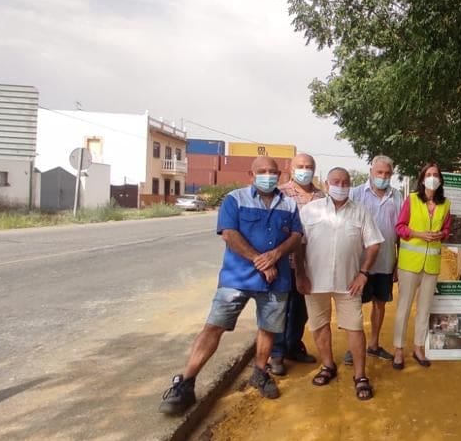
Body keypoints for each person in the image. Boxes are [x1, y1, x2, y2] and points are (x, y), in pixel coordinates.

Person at [159, 156, 303, 414]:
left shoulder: (290, 205)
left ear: (280, 174)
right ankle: (187, 382)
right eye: (262, 171)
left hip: (275, 280)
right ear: (251, 174)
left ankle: (260, 372)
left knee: (268, 329)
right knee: (214, 327)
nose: (268, 175)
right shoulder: (235, 199)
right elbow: (229, 233)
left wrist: (276, 255)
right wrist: (261, 261)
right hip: (237, 278)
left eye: (272, 171)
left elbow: (296, 235)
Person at [297, 167, 384, 400]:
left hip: (349, 282)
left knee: (354, 327)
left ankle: (360, 375)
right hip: (314, 280)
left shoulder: (360, 212)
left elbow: (374, 244)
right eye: (336, 181)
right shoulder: (310, 211)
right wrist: (300, 275)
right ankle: (328, 366)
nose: (341, 185)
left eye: (345, 182)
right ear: (326, 184)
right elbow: (299, 244)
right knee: (319, 324)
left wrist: (364, 273)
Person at [268, 153, 325, 376]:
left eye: (309, 166)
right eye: (300, 166)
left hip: (312, 262)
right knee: (281, 308)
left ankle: (293, 346)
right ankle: (277, 354)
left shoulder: (321, 196)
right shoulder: (280, 194)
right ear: (291, 169)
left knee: (302, 311)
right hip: (285, 262)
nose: (305, 170)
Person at [343, 155, 402, 365]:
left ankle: (374, 345)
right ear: (371, 172)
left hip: (386, 261)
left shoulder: (397, 197)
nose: (383, 177)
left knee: (380, 304)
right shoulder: (355, 194)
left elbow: (400, 233)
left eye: (387, 173)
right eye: (380, 172)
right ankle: (354, 347)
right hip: (360, 264)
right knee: (354, 305)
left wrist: (397, 263)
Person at [392, 163, 451, 369]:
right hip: (409, 264)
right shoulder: (412, 200)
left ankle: (418, 348)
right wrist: (418, 234)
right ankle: (398, 350)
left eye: (435, 174)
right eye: (429, 174)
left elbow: (446, 229)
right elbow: (399, 227)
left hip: (431, 264)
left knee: (424, 309)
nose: (432, 177)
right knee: (404, 308)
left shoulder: (445, 204)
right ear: (423, 178)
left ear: (440, 180)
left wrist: (440, 235)